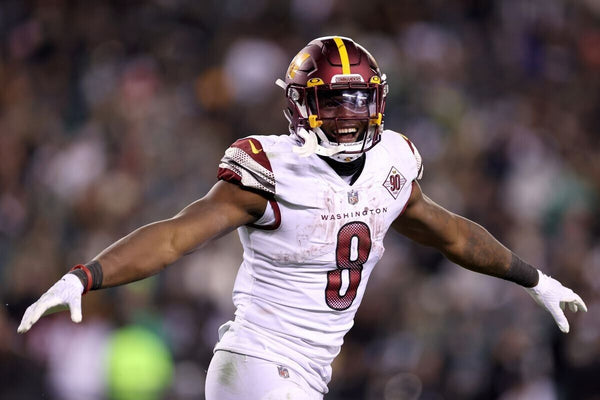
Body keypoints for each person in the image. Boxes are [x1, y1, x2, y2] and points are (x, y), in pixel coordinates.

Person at [17, 36, 587, 399]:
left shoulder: (392, 163)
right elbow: (173, 238)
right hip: (259, 364)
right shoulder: (271, 169)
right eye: (332, 100)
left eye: (358, 99)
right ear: (299, 104)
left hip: (306, 373)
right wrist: (86, 276)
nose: (348, 114)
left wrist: (533, 278)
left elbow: (453, 235)